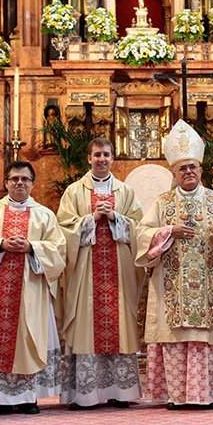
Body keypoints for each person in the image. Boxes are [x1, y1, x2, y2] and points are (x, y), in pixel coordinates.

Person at [136, 120, 213, 409]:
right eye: (182, 168)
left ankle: (206, 395)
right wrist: (169, 231)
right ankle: (177, 396)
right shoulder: (163, 202)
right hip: (173, 286)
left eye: (193, 167)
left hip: (208, 286)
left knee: (203, 338)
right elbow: (142, 235)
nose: (188, 172)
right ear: (174, 172)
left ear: (201, 169)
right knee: (175, 337)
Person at [0, 161, 66, 416]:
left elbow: (59, 251)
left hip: (31, 290)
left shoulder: (45, 215)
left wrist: (33, 247)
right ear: (5, 182)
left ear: (33, 183)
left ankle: (28, 398)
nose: (19, 183)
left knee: (28, 339)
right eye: (14, 179)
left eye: (25, 179)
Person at [56, 137, 144, 409]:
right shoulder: (74, 191)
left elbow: (140, 229)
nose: (102, 159)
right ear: (89, 158)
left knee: (120, 326)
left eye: (106, 154)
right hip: (85, 272)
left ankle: (121, 392)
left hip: (118, 272)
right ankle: (86, 394)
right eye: (97, 154)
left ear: (112, 158)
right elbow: (63, 230)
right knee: (85, 325)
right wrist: (90, 219)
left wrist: (117, 218)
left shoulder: (126, 192)